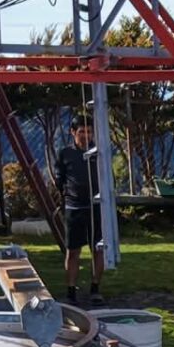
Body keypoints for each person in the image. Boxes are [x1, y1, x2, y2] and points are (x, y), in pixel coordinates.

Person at [55, 115, 104, 303]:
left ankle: (95, 288)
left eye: (89, 131)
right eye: (82, 131)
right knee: (73, 251)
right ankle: (71, 291)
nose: (86, 135)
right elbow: (60, 178)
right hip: (74, 208)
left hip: (96, 207)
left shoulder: (99, 153)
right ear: (73, 132)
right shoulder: (65, 154)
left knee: (98, 249)